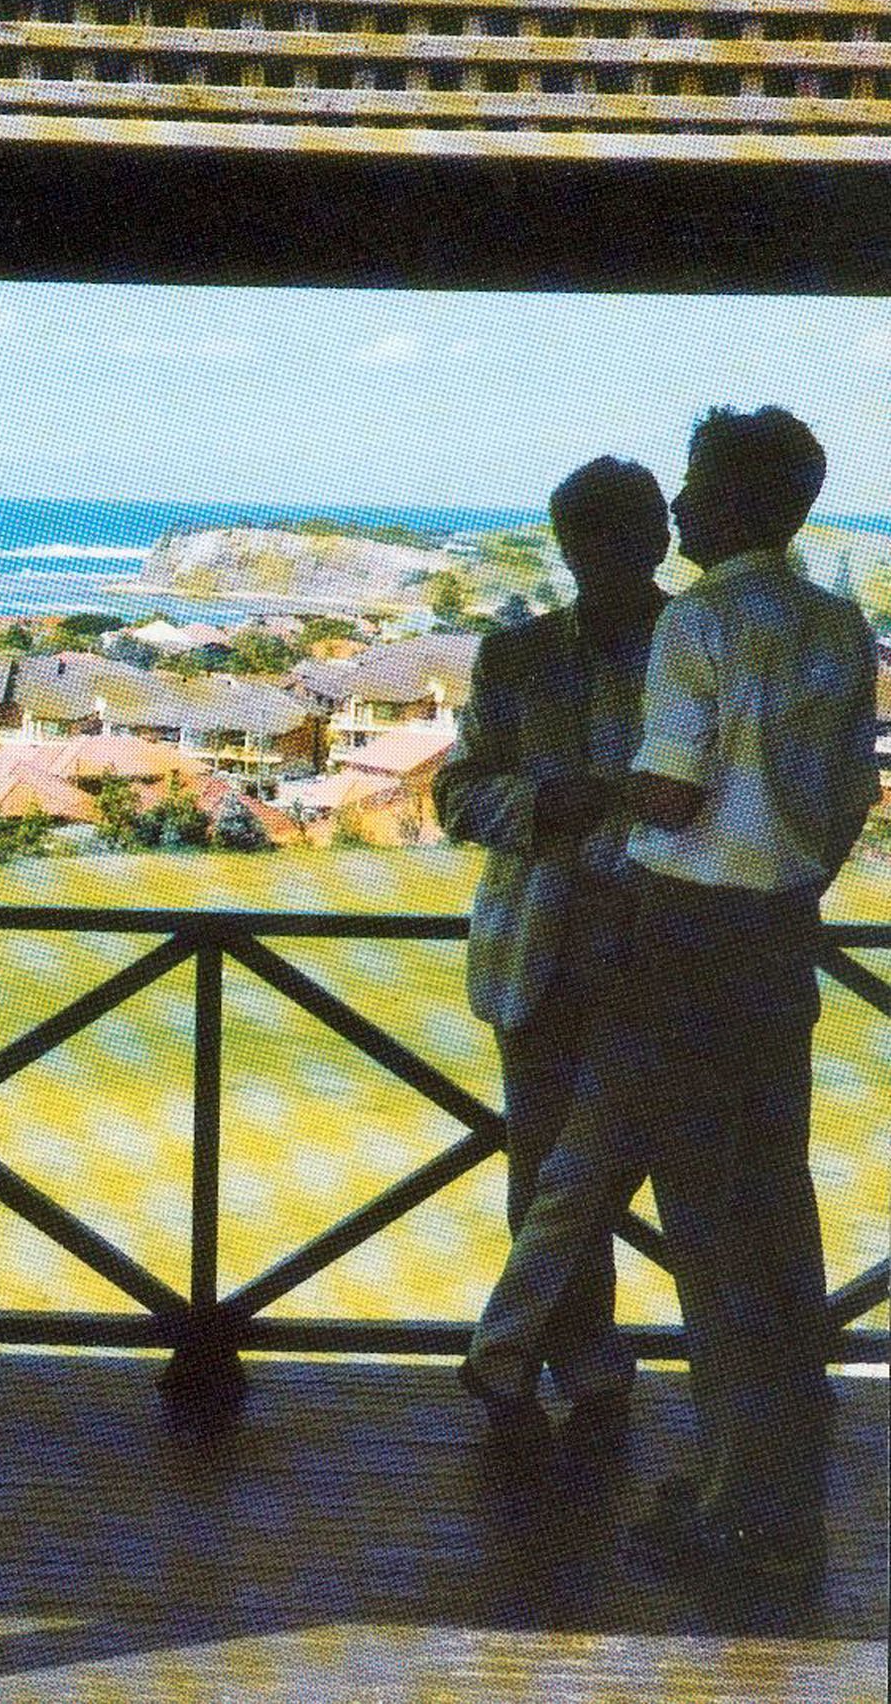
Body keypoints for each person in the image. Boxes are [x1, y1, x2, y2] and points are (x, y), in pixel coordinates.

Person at [460, 406, 879, 1584]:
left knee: (704, 1227)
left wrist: (609, 808)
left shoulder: (699, 619)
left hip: (677, 940)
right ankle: (751, 1474)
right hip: (764, 942)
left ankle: (740, 1508)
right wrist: (784, 878)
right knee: (760, 1214)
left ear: (721, 505)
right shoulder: (837, 623)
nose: (677, 509)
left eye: (687, 489)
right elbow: (850, 793)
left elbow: (676, 795)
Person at [433, 457, 670, 1467]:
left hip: (664, 950)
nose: (599, 559)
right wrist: (539, 806)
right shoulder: (516, 655)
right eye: (584, 540)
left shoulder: (696, 645)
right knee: (548, 1170)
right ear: (565, 545)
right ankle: (580, 1364)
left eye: (620, 538)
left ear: (658, 540)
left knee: (602, 1168)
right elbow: (455, 793)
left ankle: (519, 1351)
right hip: (541, 947)